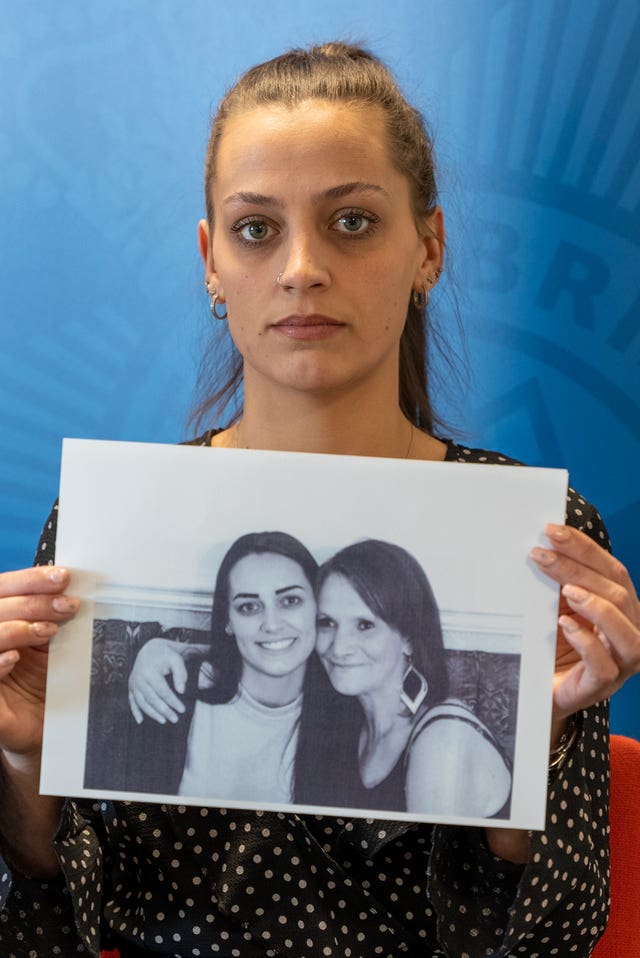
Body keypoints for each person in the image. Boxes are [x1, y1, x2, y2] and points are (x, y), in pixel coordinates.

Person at [0, 40, 639, 957]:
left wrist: (532, 742)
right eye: (257, 229)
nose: (302, 267)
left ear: (430, 246)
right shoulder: (102, 533)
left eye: (350, 222)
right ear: (211, 260)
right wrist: (26, 758)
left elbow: (559, 930)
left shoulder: (538, 534)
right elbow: (57, 898)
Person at [123, 530, 347, 803]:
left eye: (290, 601)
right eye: (249, 607)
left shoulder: (350, 712)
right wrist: (155, 647)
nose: (272, 624)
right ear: (227, 620)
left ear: (318, 607)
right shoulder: (170, 693)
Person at [316, 538, 512, 816]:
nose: (338, 647)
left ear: (409, 637)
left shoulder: (443, 739)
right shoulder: (348, 728)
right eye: (327, 623)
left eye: (364, 625)